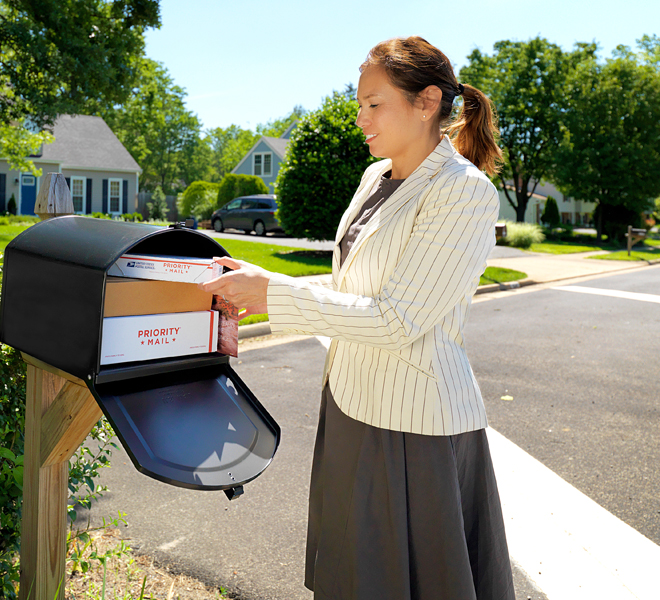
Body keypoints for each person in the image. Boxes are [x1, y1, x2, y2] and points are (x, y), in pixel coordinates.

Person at [200, 36, 515, 600]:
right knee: (355, 573)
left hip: (414, 422)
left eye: (375, 103)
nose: (361, 117)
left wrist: (273, 294)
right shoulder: (376, 178)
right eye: (360, 103)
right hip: (350, 400)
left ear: (427, 102)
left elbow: (399, 318)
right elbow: (355, 289)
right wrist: (265, 283)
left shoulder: (463, 193)